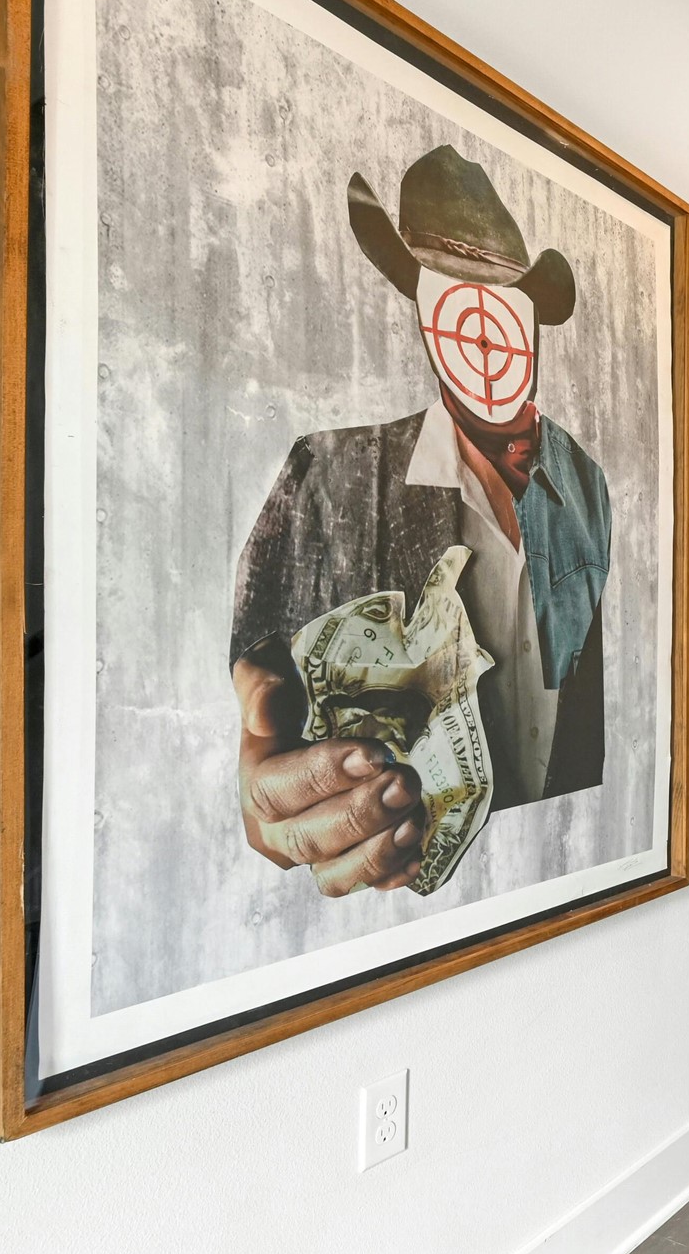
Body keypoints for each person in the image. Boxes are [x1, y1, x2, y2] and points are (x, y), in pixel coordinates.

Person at [227, 146, 612, 897]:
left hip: (549, 877)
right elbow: (262, 687)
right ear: (423, 311)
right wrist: (261, 762)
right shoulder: (332, 474)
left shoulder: (585, 482)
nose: (480, 331)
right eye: (453, 297)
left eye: (501, 300)